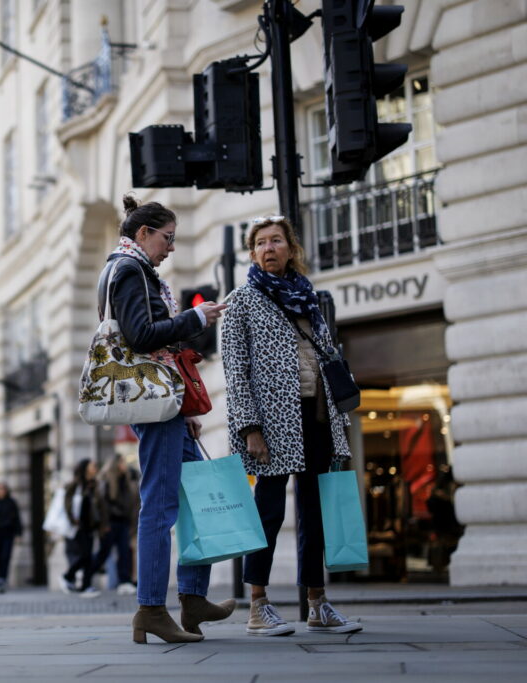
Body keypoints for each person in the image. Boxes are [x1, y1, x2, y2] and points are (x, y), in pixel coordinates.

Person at [100, 195, 233, 644]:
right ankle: (151, 609)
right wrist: (194, 318)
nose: (171, 247)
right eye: (167, 238)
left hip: (164, 403)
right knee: (160, 503)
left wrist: (183, 411)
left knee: (198, 491)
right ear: (144, 233)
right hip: (152, 402)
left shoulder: (131, 268)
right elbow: (140, 337)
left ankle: (192, 598)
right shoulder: (128, 270)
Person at [221, 215, 362, 637]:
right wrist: (250, 427)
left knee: (315, 512)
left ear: (290, 248)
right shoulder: (240, 302)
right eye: (261, 242)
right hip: (271, 421)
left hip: (315, 416)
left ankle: (317, 603)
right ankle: (258, 605)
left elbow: (324, 356)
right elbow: (235, 371)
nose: (269, 248)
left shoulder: (308, 298)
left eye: (276, 241)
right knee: (268, 510)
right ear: (252, 253)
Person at [92, 455, 136, 595]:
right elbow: (103, 504)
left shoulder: (125, 480)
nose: (125, 465)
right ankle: (86, 575)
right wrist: (104, 524)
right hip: (110, 523)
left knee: (125, 552)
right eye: (122, 462)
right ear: (116, 464)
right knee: (103, 553)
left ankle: (124, 581)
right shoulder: (106, 480)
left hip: (123, 522)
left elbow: (130, 501)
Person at [61, 459, 104, 597]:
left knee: (89, 556)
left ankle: (85, 585)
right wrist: (72, 519)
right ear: (85, 468)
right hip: (79, 526)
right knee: (85, 555)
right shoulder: (75, 485)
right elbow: (67, 504)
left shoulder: (94, 484)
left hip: (91, 525)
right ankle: (68, 576)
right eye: (92, 466)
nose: (95, 468)